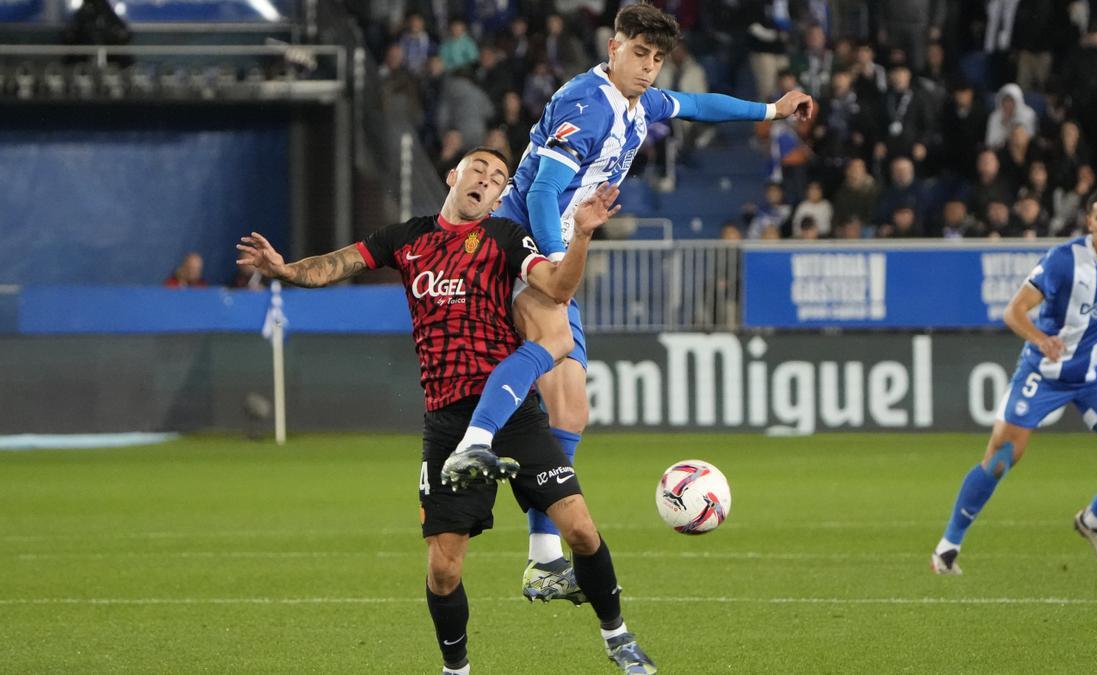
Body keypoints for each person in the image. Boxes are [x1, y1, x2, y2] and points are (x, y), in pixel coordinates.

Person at [234, 148, 658, 674]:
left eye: (499, 177)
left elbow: (559, 287)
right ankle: (456, 669)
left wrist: (584, 236)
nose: (487, 179)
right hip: (446, 420)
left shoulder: (505, 239)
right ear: (454, 176)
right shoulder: (405, 238)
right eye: (478, 168)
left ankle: (618, 638)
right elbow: (335, 266)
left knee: (582, 531)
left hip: (513, 415)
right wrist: (284, 269)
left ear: (501, 197)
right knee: (443, 570)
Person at [451, 2, 815, 603]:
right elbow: (542, 192)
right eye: (639, 53)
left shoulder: (640, 102)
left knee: (568, 413)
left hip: (549, 251)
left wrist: (772, 109)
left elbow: (698, 105)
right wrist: (550, 267)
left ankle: (542, 559)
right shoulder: (586, 103)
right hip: (518, 244)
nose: (648, 68)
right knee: (555, 347)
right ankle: (475, 441)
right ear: (613, 46)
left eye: (658, 58)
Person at [931, 185, 1097, 575]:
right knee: (1001, 458)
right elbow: (1014, 312)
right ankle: (947, 547)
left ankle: (1092, 520)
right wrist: (1040, 339)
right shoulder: (1065, 261)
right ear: (1089, 223)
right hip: (1044, 373)